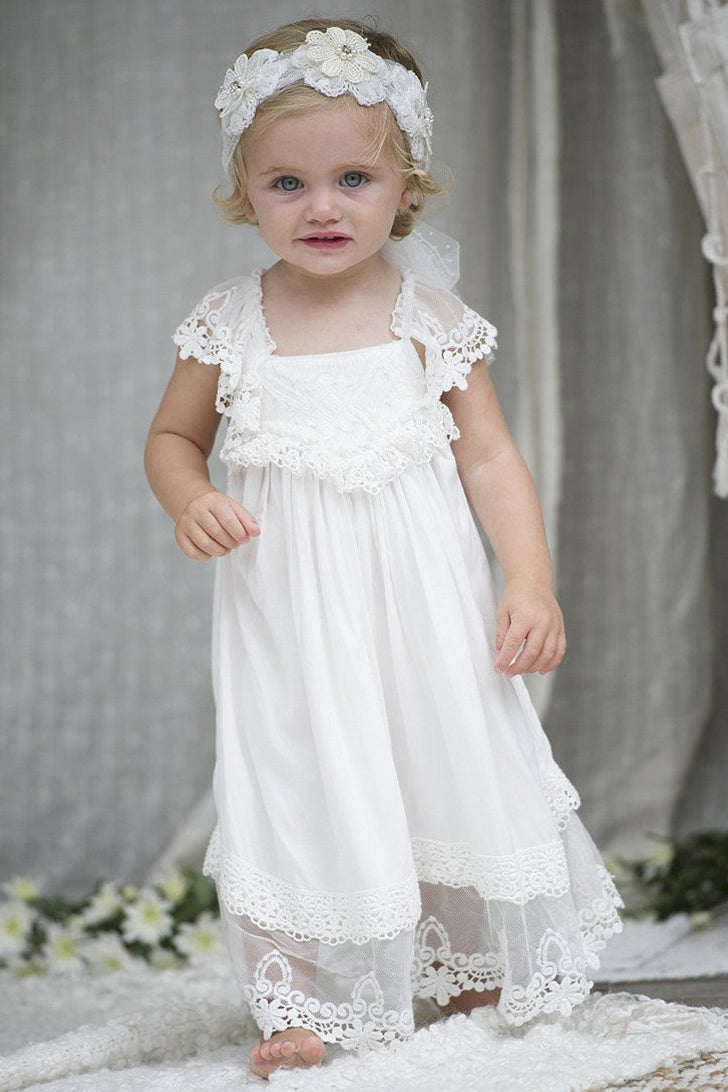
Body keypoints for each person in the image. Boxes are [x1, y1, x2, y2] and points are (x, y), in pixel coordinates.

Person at [144, 17, 625, 1080]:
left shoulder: (425, 316)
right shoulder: (229, 322)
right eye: (285, 184)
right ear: (244, 189)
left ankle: (461, 963)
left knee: (437, 751)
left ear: (404, 183)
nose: (321, 207)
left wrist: (529, 578)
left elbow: (490, 458)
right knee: (295, 775)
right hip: (290, 612)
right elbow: (174, 438)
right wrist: (188, 498)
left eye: (352, 177)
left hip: (423, 601)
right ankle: (299, 996)